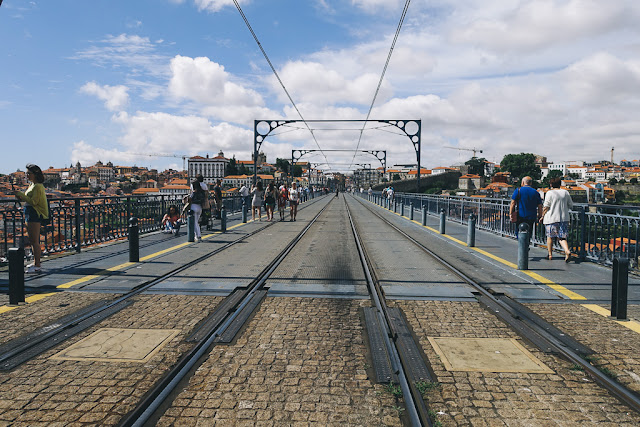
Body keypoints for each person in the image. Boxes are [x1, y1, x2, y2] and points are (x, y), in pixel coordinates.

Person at [14, 164, 49, 273]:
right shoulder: (33, 185)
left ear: (35, 174)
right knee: (33, 240)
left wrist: (20, 194)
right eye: (26, 173)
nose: (27, 175)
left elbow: (34, 201)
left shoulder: (37, 186)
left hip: (34, 214)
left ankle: (37, 264)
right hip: (30, 213)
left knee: (34, 241)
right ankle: (36, 262)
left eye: (29, 173)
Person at [541, 178, 574, 262]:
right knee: (562, 237)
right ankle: (567, 251)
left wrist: (542, 215)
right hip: (564, 218)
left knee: (550, 237)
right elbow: (570, 205)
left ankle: (550, 254)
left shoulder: (549, 193)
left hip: (551, 218)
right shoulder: (565, 192)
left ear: (551, 185)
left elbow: (546, 206)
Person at [509, 176, 543, 247]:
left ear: (523, 182)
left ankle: (522, 245)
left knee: (518, 231)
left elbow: (513, 203)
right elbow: (540, 206)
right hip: (532, 216)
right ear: (531, 183)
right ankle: (526, 244)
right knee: (529, 231)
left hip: (520, 215)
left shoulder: (518, 190)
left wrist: (511, 213)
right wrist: (540, 215)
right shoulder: (536, 192)